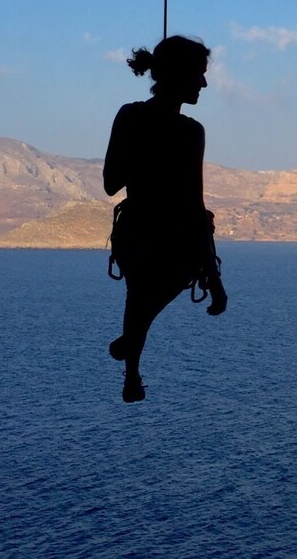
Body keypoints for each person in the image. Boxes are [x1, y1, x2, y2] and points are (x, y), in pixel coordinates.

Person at [102, 35, 227, 403]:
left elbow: (111, 183)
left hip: (134, 237)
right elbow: (194, 204)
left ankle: (132, 369)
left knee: (138, 291)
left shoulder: (129, 115)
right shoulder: (191, 132)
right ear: (178, 75)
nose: (203, 84)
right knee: (168, 277)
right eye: (199, 75)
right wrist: (214, 280)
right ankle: (132, 352)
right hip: (171, 242)